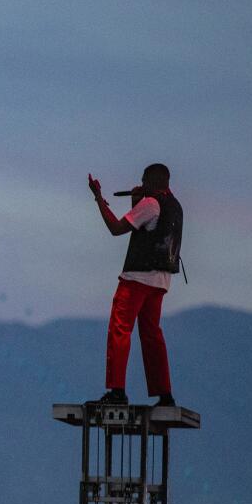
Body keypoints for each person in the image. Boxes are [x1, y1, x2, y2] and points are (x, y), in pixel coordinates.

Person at [87, 164, 183, 407]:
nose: (140, 185)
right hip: (161, 282)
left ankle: (117, 392)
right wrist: (136, 203)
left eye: (143, 181)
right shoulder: (175, 206)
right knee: (152, 336)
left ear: (150, 181)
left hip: (137, 278)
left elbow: (116, 229)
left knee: (120, 329)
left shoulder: (151, 204)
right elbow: (145, 230)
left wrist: (99, 198)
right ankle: (165, 395)